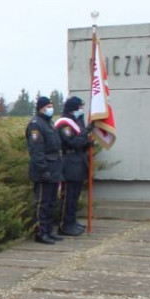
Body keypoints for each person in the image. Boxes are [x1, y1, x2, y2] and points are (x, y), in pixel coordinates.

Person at [27, 96, 64, 245]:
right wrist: (43, 170)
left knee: (51, 202)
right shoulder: (36, 125)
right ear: (41, 108)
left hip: (54, 168)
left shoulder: (49, 123)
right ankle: (40, 232)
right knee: (42, 203)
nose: (51, 108)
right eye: (48, 106)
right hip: (43, 170)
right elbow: (36, 150)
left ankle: (48, 230)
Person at [55, 96, 91, 236]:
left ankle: (72, 221)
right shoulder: (64, 124)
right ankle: (65, 225)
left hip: (78, 161)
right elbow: (73, 142)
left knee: (75, 196)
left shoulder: (76, 121)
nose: (81, 110)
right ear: (73, 108)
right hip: (69, 163)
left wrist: (87, 142)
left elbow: (81, 141)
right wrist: (86, 135)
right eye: (80, 107)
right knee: (68, 196)